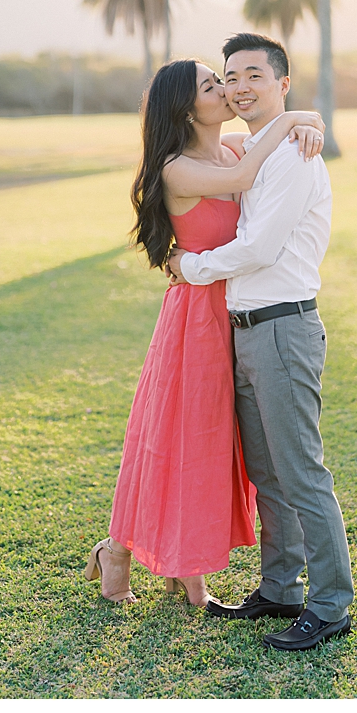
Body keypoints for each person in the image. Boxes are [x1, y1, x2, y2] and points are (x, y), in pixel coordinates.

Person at [86, 57, 326, 606]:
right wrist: (295, 121)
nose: (226, 90)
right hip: (196, 317)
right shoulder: (177, 167)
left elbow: (263, 159)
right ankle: (118, 550)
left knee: (216, 443)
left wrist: (305, 120)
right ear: (186, 107)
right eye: (211, 85)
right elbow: (243, 182)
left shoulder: (236, 147)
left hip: (240, 311)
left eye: (224, 80)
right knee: (176, 438)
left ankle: (182, 564)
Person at [166, 31, 355, 652]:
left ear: (281, 81)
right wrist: (303, 117)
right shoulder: (260, 148)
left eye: (253, 75)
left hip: (283, 327)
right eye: (230, 78)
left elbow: (260, 248)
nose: (239, 88)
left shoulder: (297, 158)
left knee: (301, 472)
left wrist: (187, 267)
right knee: (267, 473)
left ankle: (330, 604)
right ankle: (280, 588)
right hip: (245, 331)